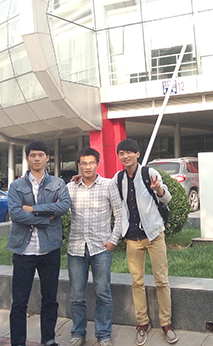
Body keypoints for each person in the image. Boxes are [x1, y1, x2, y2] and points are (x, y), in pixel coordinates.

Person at [7, 140, 71, 346]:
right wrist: (45, 217)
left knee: (50, 299)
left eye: (40, 155)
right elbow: (15, 214)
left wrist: (33, 209)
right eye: (33, 155)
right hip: (23, 251)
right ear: (27, 158)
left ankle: (48, 339)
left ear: (47, 158)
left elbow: (64, 206)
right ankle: (18, 342)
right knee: (19, 302)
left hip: (49, 249)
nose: (37, 158)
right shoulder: (16, 186)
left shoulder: (57, 183)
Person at [116, 139, 178, 345]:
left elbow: (167, 198)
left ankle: (166, 323)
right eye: (122, 153)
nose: (125, 156)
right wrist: (79, 179)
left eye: (129, 152)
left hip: (154, 235)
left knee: (162, 280)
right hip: (132, 238)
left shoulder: (149, 173)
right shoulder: (118, 178)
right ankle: (142, 323)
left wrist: (159, 189)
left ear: (137, 154)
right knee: (137, 282)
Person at [67, 147, 122, 346]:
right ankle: (78, 333)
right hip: (76, 249)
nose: (88, 167)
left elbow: (119, 214)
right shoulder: (70, 187)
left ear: (97, 164)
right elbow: (58, 207)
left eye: (91, 163)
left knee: (103, 294)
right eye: (84, 163)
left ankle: (104, 335)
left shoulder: (108, 185)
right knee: (76, 296)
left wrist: (113, 240)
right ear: (78, 165)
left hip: (100, 249)